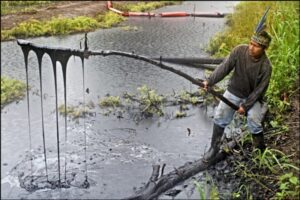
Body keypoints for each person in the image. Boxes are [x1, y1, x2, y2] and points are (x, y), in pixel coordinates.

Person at [202, 30, 272, 162]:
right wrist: (209, 81)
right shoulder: (239, 51)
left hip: (252, 98)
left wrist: (245, 107)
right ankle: (213, 148)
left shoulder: (266, 67)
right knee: (220, 115)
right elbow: (224, 67)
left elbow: (259, 91)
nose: (251, 47)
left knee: (254, 121)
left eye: (256, 46)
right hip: (234, 91)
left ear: (264, 48)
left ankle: (261, 152)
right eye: (251, 43)